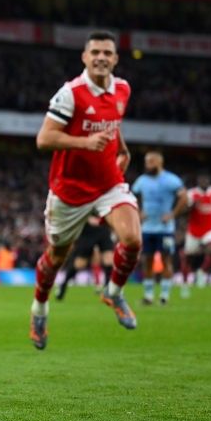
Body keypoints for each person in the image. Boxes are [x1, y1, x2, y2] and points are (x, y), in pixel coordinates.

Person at [31, 31, 143, 351]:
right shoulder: (70, 94)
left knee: (133, 239)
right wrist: (84, 142)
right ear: (84, 57)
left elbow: (113, 122)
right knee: (56, 257)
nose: (101, 58)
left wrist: (121, 147)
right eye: (95, 52)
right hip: (70, 189)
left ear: (115, 59)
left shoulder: (123, 88)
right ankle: (39, 310)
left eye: (107, 53)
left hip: (108, 181)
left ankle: (114, 292)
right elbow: (44, 139)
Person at [131, 151, 187, 305]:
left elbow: (184, 197)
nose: (147, 165)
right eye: (146, 162)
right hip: (147, 228)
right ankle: (148, 296)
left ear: (159, 162)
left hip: (165, 229)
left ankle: (164, 295)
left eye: (151, 161)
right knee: (146, 261)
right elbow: (131, 196)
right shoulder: (142, 180)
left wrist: (173, 214)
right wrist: (138, 212)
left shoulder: (171, 179)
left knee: (166, 260)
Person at [55, 214, 114, 300]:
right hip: (88, 231)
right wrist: (87, 218)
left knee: (109, 260)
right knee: (80, 264)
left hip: (103, 230)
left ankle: (107, 290)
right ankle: (63, 284)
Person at [182, 173, 211, 290]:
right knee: (188, 258)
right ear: (198, 181)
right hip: (194, 230)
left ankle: (202, 272)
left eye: (206, 179)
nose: (204, 181)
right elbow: (185, 213)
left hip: (209, 229)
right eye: (201, 179)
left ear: (209, 180)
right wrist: (192, 205)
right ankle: (185, 284)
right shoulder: (192, 193)